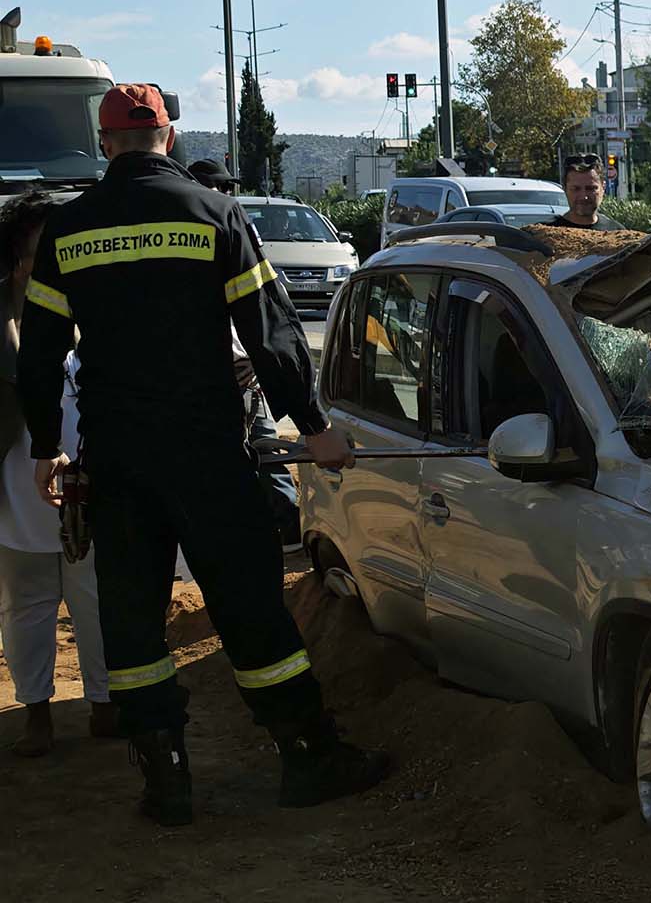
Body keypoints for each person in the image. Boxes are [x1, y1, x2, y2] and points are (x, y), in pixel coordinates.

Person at [16, 84, 387, 826]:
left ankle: (165, 781)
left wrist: (44, 448)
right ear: (169, 138)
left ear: (103, 141)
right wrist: (313, 428)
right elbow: (271, 330)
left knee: (130, 616)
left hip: (116, 457)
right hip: (206, 452)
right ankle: (308, 756)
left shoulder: (69, 228)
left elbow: (41, 352)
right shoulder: (215, 213)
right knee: (249, 603)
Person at [0, 191, 114, 755]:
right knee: (29, 603)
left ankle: (103, 703)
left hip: (86, 485)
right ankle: (36, 713)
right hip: (19, 491)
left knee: (93, 598)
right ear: (19, 259)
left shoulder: (94, 310)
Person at [185, 159, 301, 553]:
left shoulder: (231, 234)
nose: (227, 195)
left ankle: (285, 528)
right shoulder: (213, 237)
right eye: (221, 187)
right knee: (244, 455)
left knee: (266, 450)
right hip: (221, 377)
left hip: (244, 372)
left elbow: (267, 309)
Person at [547, 156, 626, 231]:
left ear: (603, 188)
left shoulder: (618, 233)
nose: (584, 196)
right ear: (564, 188)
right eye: (576, 189)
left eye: (591, 188)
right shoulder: (545, 236)